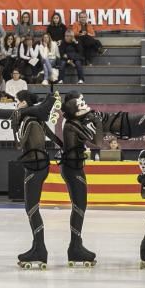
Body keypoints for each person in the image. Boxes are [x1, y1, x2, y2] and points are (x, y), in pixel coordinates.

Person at [13, 90, 58, 269]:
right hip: (40, 166)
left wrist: (14, 126)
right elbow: (54, 138)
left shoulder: (29, 121)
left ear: (24, 103)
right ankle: (37, 246)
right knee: (32, 209)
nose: (16, 104)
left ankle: (40, 250)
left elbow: (18, 144)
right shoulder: (36, 119)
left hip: (34, 167)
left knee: (31, 209)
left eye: (17, 101)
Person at [58, 94, 99, 267]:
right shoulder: (72, 125)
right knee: (79, 206)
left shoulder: (72, 123)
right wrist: (94, 120)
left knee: (80, 206)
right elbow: (97, 139)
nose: (85, 104)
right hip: (72, 168)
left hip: (73, 167)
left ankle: (76, 244)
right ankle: (74, 247)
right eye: (80, 103)